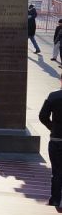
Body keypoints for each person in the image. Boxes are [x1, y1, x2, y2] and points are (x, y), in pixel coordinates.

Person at [39, 74, 62, 207]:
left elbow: (43, 116)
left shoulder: (53, 96)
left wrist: (52, 127)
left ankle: (55, 199)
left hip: (56, 139)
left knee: (57, 171)